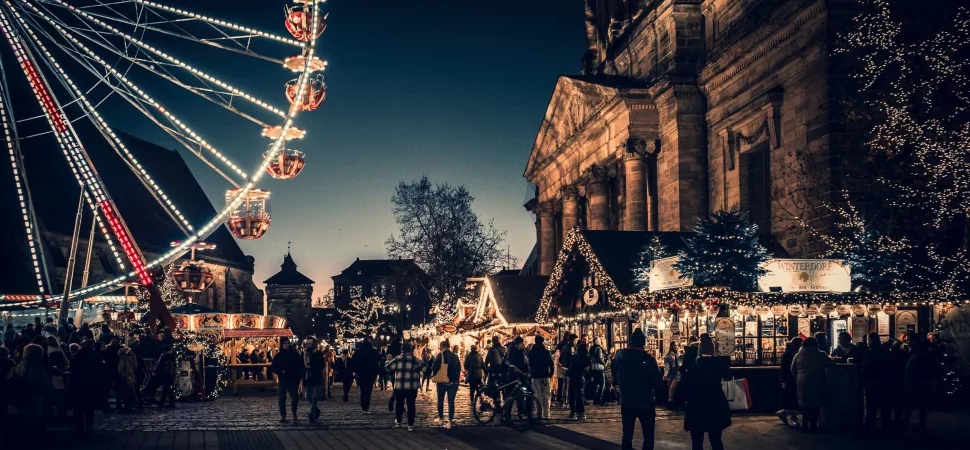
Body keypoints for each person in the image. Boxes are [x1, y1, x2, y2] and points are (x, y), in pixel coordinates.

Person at [612, 328, 663, 450]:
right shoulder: (648, 359)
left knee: (627, 435)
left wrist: (618, 384)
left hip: (627, 400)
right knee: (648, 436)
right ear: (642, 342)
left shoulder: (619, 356)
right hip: (645, 401)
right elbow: (656, 381)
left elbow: (614, 373)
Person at [683, 334, 730, 450]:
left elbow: (684, 377)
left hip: (696, 406)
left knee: (697, 442)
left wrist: (689, 353)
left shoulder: (694, 368)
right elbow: (726, 367)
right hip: (715, 405)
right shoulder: (717, 366)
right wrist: (718, 354)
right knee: (716, 441)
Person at [5, 344, 54, 443]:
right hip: (32, 407)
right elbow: (47, 388)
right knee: (33, 438)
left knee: (21, 437)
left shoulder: (16, 368)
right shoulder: (37, 369)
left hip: (14, 407)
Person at [791, 337, 832, 431]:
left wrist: (798, 377)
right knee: (815, 404)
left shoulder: (798, 355)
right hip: (817, 381)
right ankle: (813, 425)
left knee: (805, 404)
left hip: (802, 382)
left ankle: (804, 425)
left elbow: (793, 370)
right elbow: (830, 363)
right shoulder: (821, 355)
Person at [385, 341, 424, 431]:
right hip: (412, 387)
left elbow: (388, 368)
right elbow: (424, 369)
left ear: (402, 349)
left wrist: (387, 360)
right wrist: (423, 361)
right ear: (411, 350)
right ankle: (410, 425)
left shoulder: (398, 358)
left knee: (399, 404)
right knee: (411, 405)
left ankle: (399, 422)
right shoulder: (415, 359)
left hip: (400, 386)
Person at [69, 340, 101, 434]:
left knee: (78, 408)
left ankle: (79, 427)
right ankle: (89, 427)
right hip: (90, 385)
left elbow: (73, 372)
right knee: (89, 409)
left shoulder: (76, 357)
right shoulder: (94, 357)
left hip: (78, 385)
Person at [903, 334, 934, 431]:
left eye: (909, 340)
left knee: (918, 403)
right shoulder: (918, 350)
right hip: (915, 382)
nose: (907, 342)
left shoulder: (921, 352)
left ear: (914, 341)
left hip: (918, 382)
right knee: (916, 404)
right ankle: (913, 422)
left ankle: (916, 423)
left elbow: (923, 368)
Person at [270, 337, 304, 422]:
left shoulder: (295, 354)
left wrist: (298, 376)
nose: (287, 345)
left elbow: (299, 365)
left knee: (295, 397)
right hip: (283, 379)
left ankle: (294, 413)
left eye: (288, 343)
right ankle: (283, 415)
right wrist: (280, 371)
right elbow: (273, 367)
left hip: (292, 379)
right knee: (282, 398)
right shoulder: (278, 356)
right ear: (282, 345)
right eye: (285, 343)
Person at [862, 333, 891, 429]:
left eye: (867, 339)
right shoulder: (885, 350)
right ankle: (886, 425)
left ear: (870, 340)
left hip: (872, 381)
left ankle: (870, 425)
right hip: (884, 381)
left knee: (871, 405)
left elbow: (866, 367)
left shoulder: (870, 352)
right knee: (884, 405)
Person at [431, 338, 461, 429]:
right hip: (454, 382)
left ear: (443, 346)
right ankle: (450, 421)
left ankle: (441, 418)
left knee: (440, 400)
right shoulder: (455, 356)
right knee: (451, 402)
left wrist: (434, 374)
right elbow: (459, 368)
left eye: (440, 346)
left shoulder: (440, 355)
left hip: (442, 382)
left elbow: (434, 366)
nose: (439, 347)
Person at [776, 337, 802, 427]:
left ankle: (792, 418)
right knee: (792, 399)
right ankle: (785, 414)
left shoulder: (789, 352)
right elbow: (789, 368)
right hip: (790, 379)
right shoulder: (792, 354)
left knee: (790, 399)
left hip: (787, 379)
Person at [528, 336, 554, 419]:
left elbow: (529, 364)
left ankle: (539, 413)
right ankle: (547, 413)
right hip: (544, 375)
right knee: (546, 395)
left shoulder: (531, 352)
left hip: (535, 375)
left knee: (537, 394)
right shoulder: (545, 352)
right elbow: (550, 363)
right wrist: (551, 373)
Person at [350, 336, 378, 413]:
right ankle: (366, 406)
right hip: (371, 374)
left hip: (361, 374)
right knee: (368, 391)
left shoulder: (358, 352)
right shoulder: (373, 351)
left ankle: (363, 406)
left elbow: (353, 363)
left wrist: (355, 371)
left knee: (362, 391)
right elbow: (377, 362)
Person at [302, 338, 326, 423]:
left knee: (314, 397)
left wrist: (314, 368)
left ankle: (311, 414)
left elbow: (322, 364)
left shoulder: (318, 353)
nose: (308, 345)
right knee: (308, 397)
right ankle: (316, 410)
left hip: (316, 377)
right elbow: (302, 365)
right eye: (307, 344)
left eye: (310, 344)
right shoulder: (304, 353)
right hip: (308, 378)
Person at [566, 341, 591, 420]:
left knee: (572, 395)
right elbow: (588, 369)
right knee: (580, 395)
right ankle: (582, 412)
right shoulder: (587, 358)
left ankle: (573, 413)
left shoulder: (575, 357)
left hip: (574, 377)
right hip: (582, 377)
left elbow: (568, 364)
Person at [116, 344, 138, 411]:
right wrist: (126, 375)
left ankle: (127, 406)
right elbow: (120, 369)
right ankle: (127, 406)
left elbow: (134, 367)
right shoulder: (123, 360)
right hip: (125, 378)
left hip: (128, 377)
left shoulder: (129, 359)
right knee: (126, 393)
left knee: (127, 393)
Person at [589, 337, 608, 406]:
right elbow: (599, 358)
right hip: (599, 368)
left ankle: (596, 399)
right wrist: (603, 363)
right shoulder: (598, 348)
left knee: (596, 384)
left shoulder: (592, 348)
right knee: (602, 384)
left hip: (594, 368)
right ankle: (599, 399)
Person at [663, 341, 682, 407]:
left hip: (678, 372)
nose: (675, 347)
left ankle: (670, 401)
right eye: (674, 345)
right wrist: (665, 374)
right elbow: (667, 366)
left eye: (676, 345)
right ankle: (672, 401)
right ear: (671, 346)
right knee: (670, 388)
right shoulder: (668, 355)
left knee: (672, 387)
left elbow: (682, 363)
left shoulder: (680, 354)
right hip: (670, 372)